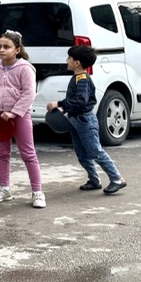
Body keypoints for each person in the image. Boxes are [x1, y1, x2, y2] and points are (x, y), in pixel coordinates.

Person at [47, 45, 127, 195]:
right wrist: (65, 109)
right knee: (82, 154)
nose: (67, 60)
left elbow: (81, 101)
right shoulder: (77, 78)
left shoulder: (82, 79)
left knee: (95, 151)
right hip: (76, 121)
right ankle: (94, 180)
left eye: (69, 58)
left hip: (85, 121)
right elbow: (77, 102)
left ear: (77, 63)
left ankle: (117, 179)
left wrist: (59, 104)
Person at [0, 30, 46, 209]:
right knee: (2, 154)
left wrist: (14, 112)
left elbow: (29, 93)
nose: (2, 50)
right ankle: (4, 189)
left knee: (28, 154)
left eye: (6, 47)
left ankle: (37, 192)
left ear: (17, 50)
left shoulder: (25, 68)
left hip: (19, 116)